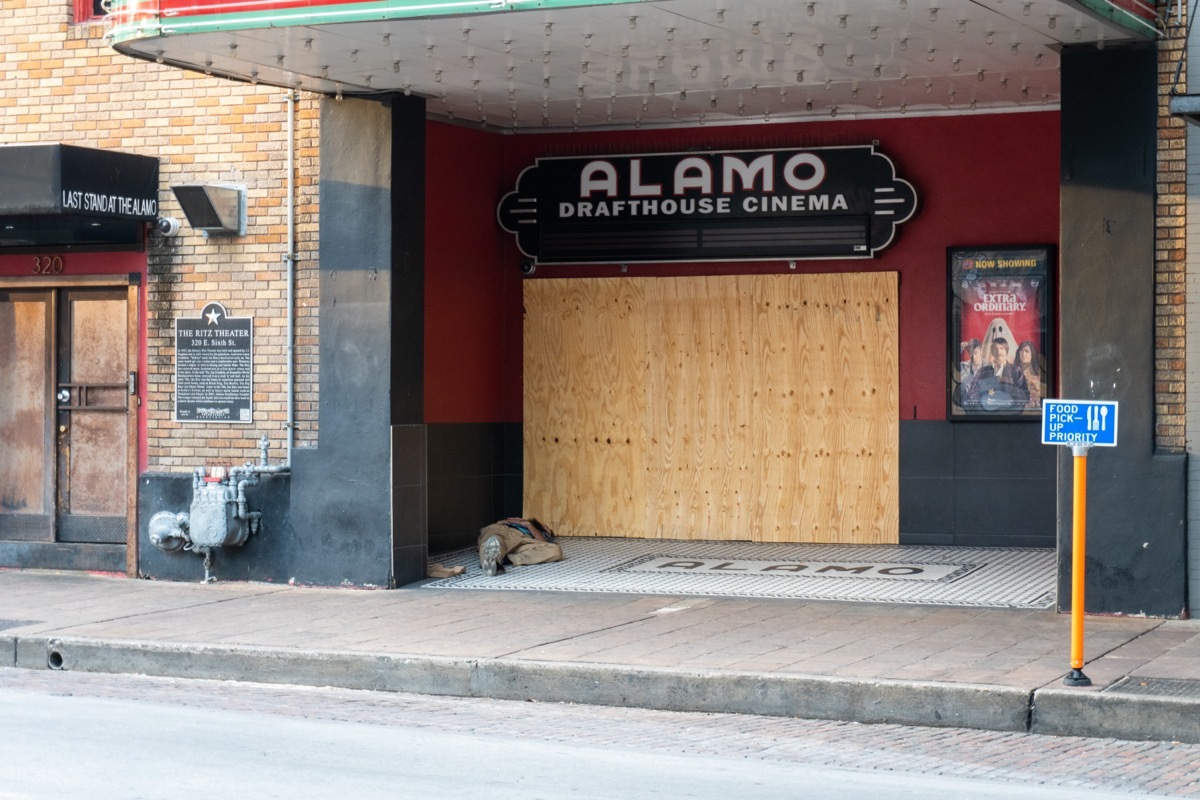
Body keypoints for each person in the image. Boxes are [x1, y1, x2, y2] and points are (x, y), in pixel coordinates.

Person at [478, 517, 563, 576]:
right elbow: (498, 525)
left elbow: (542, 543)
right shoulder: (519, 522)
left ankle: (504, 560)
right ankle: (491, 561)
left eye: (549, 529)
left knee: (555, 550)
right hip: (504, 532)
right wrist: (503, 522)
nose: (546, 527)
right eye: (546, 526)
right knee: (494, 540)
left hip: (523, 541)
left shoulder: (536, 529)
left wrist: (529, 525)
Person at [966, 337, 1029, 411]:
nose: (999, 352)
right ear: (992, 352)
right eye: (995, 349)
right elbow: (973, 394)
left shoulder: (1016, 371)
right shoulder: (983, 371)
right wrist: (982, 409)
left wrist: (1009, 388)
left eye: (1001, 348)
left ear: (1006, 351)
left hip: (1010, 415)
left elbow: (1025, 396)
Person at [1016, 340, 1042, 409]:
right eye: (1021, 351)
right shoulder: (1014, 372)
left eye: (1027, 351)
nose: (1023, 354)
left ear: (1032, 354)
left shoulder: (1039, 373)